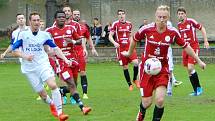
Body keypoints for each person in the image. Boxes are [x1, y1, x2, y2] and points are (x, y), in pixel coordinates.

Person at [121, 5, 206, 121]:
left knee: (160, 100)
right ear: (155, 16)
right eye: (159, 17)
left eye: (164, 17)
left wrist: (199, 60)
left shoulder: (173, 32)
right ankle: (141, 112)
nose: (161, 19)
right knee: (147, 102)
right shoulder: (146, 29)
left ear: (168, 18)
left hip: (162, 69)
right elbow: (135, 39)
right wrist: (129, 52)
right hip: (146, 69)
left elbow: (186, 47)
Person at [12, 12, 69, 121]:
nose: (37, 22)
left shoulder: (44, 35)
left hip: (43, 64)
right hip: (29, 68)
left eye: (38, 20)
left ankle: (60, 113)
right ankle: (51, 103)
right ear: (30, 22)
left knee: (52, 85)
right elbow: (14, 51)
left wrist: (65, 59)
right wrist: (25, 56)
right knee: (43, 96)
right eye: (34, 20)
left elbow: (56, 49)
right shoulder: (23, 35)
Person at [46, 10, 92, 115]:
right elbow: (44, 43)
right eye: (59, 17)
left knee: (74, 84)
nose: (62, 18)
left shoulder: (71, 29)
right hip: (61, 62)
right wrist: (49, 51)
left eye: (63, 17)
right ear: (55, 19)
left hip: (73, 60)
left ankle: (60, 92)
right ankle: (82, 107)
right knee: (71, 83)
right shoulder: (50, 31)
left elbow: (80, 40)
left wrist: (73, 41)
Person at [177, 7, 209, 96]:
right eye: (179, 14)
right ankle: (195, 91)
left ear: (185, 14)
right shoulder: (179, 25)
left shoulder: (191, 21)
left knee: (190, 67)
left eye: (182, 13)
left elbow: (202, 28)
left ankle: (199, 88)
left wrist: (205, 41)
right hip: (185, 49)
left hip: (194, 47)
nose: (180, 15)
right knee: (189, 70)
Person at [109, 9, 140, 91]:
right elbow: (110, 36)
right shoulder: (115, 24)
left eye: (123, 14)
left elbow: (130, 35)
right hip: (121, 48)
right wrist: (114, 43)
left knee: (136, 63)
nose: (121, 15)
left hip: (129, 47)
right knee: (125, 67)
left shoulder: (129, 24)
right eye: (119, 14)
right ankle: (130, 84)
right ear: (118, 16)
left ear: (125, 15)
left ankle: (135, 79)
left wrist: (132, 43)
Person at [72, 9, 98, 99]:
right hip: (70, 53)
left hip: (80, 52)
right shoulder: (68, 26)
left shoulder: (83, 27)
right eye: (75, 14)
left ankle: (85, 93)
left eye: (78, 14)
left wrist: (92, 48)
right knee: (72, 74)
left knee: (82, 72)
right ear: (72, 15)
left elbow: (88, 37)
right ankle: (72, 94)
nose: (76, 16)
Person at [166, 21, 183, 96]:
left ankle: (169, 91)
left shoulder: (171, 28)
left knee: (169, 70)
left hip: (168, 51)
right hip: (160, 51)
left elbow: (174, 39)